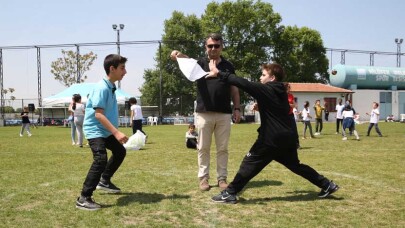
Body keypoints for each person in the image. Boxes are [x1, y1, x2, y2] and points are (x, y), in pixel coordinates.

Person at [205, 62, 339, 204]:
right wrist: (262, 107)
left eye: (263, 75)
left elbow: (243, 83)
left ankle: (230, 193)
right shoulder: (280, 91)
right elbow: (279, 112)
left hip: (271, 139)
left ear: (272, 78)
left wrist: (218, 73)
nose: (260, 77)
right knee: (296, 166)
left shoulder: (267, 89)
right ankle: (327, 185)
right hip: (287, 138)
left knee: (249, 163)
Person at [170, 33, 241, 191]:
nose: (213, 49)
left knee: (223, 148)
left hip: (224, 113)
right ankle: (203, 179)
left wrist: (237, 108)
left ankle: (222, 179)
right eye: (210, 46)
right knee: (203, 148)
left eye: (217, 46)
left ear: (222, 47)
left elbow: (234, 90)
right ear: (205, 47)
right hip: (203, 113)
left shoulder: (228, 66)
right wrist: (177, 53)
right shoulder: (200, 63)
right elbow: (186, 59)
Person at [75, 54, 129, 211]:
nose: (125, 72)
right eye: (122, 68)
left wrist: (114, 131)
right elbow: (98, 114)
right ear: (112, 69)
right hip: (95, 129)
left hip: (105, 130)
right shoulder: (102, 87)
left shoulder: (111, 87)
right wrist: (117, 133)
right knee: (100, 159)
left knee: (120, 152)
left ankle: (104, 180)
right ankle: (84, 197)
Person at [285, 82, 300, 149]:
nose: (289, 89)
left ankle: (297, 144)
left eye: (289, 88)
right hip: (283, 116)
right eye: (288, 88)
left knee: (294, 130)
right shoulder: (281, 95)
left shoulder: (291, 95)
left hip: (290, 115)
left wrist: (290, 105)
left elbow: (295, 105)